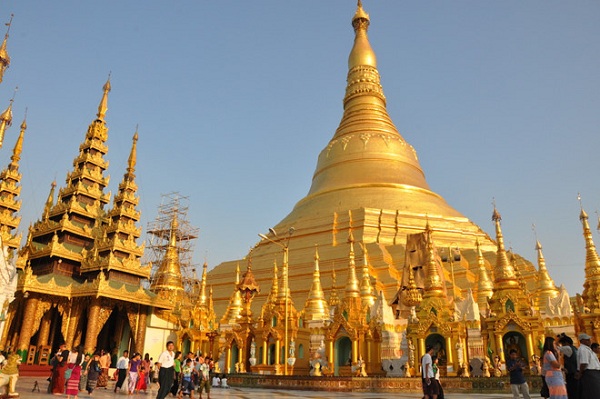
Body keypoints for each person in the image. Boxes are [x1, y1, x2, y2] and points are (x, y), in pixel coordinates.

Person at [575, 333, 600, 399]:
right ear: (582, 341)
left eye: (589, 340)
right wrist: (580, 373)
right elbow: (584, 362)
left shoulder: (587, 349)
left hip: (594, 373)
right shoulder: (583, 349)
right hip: (590, 373)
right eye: (587, 340)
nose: (589, 341)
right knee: (593, 392)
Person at [557, 334, 578, 399]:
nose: (562, 345)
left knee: (572, 392)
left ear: (566, 343)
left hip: (572, 373)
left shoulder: (568, 348)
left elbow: (556, 348)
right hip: (575, 372)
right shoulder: (575, 348)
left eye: (562, 344)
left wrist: (557, 341)